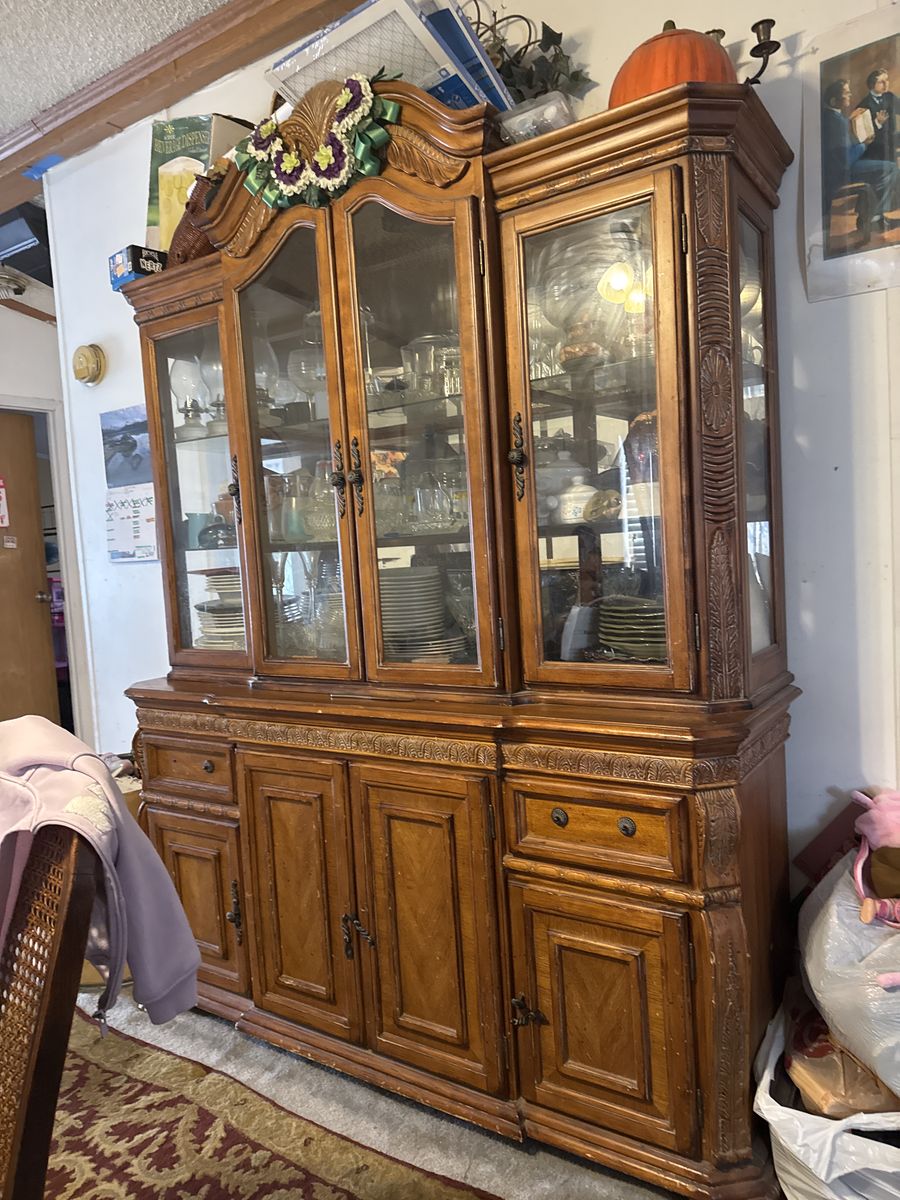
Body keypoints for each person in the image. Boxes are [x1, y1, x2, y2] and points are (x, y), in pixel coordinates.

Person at [821, 76, 900, 228]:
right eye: (846, 93)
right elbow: (845, 159)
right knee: (890, 169)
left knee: (886, 167)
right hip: (842, 171)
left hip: (847, 163)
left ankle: (868, 215)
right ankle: (875, 217)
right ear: (833, 101)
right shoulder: (836, 122)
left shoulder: (834, 116)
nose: (850, 95)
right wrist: (864, 145)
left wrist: (852, 122)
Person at [856, 68, 896, 166]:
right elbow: (861, 135)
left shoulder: (889, 96)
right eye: (881, 82)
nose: (886, 84)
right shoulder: (863, 105)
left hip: (891, 144)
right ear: (872, 84)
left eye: (886, 80)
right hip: (875, 150)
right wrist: (877, 123)